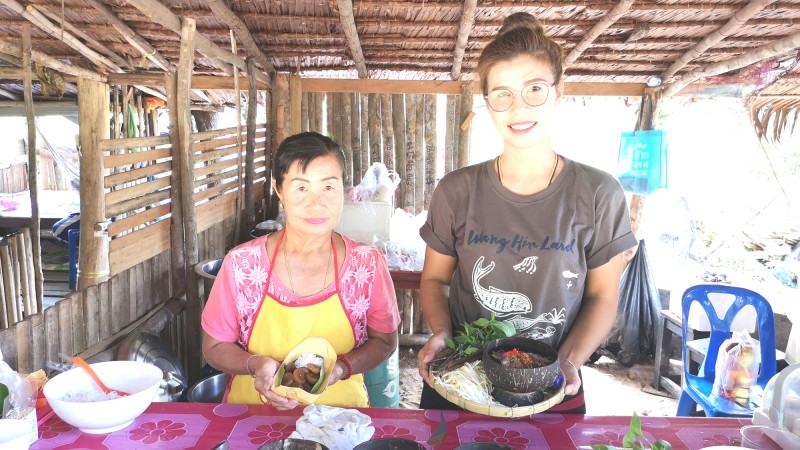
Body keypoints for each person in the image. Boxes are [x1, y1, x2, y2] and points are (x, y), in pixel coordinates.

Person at [416, 12, 638, 414]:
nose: (519, 107)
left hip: (551, 384)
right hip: (461, 377)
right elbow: (434, 279)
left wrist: (569, 361)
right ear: (487, 101)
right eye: (502, 93)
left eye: (534, 88)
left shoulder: (599, 193)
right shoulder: (457, 190)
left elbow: (604, 296)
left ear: (558, 91)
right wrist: (443, 335)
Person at [202, 132, 400, 408]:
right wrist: (255, 364)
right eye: (302, 188)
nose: (316, 202)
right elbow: (213, 347)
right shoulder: (242, 265)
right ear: (279, 190)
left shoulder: (367, 265)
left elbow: (384, 342)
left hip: (340, 422)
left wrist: (341, 368)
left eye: (329, 187)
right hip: (251, 419)